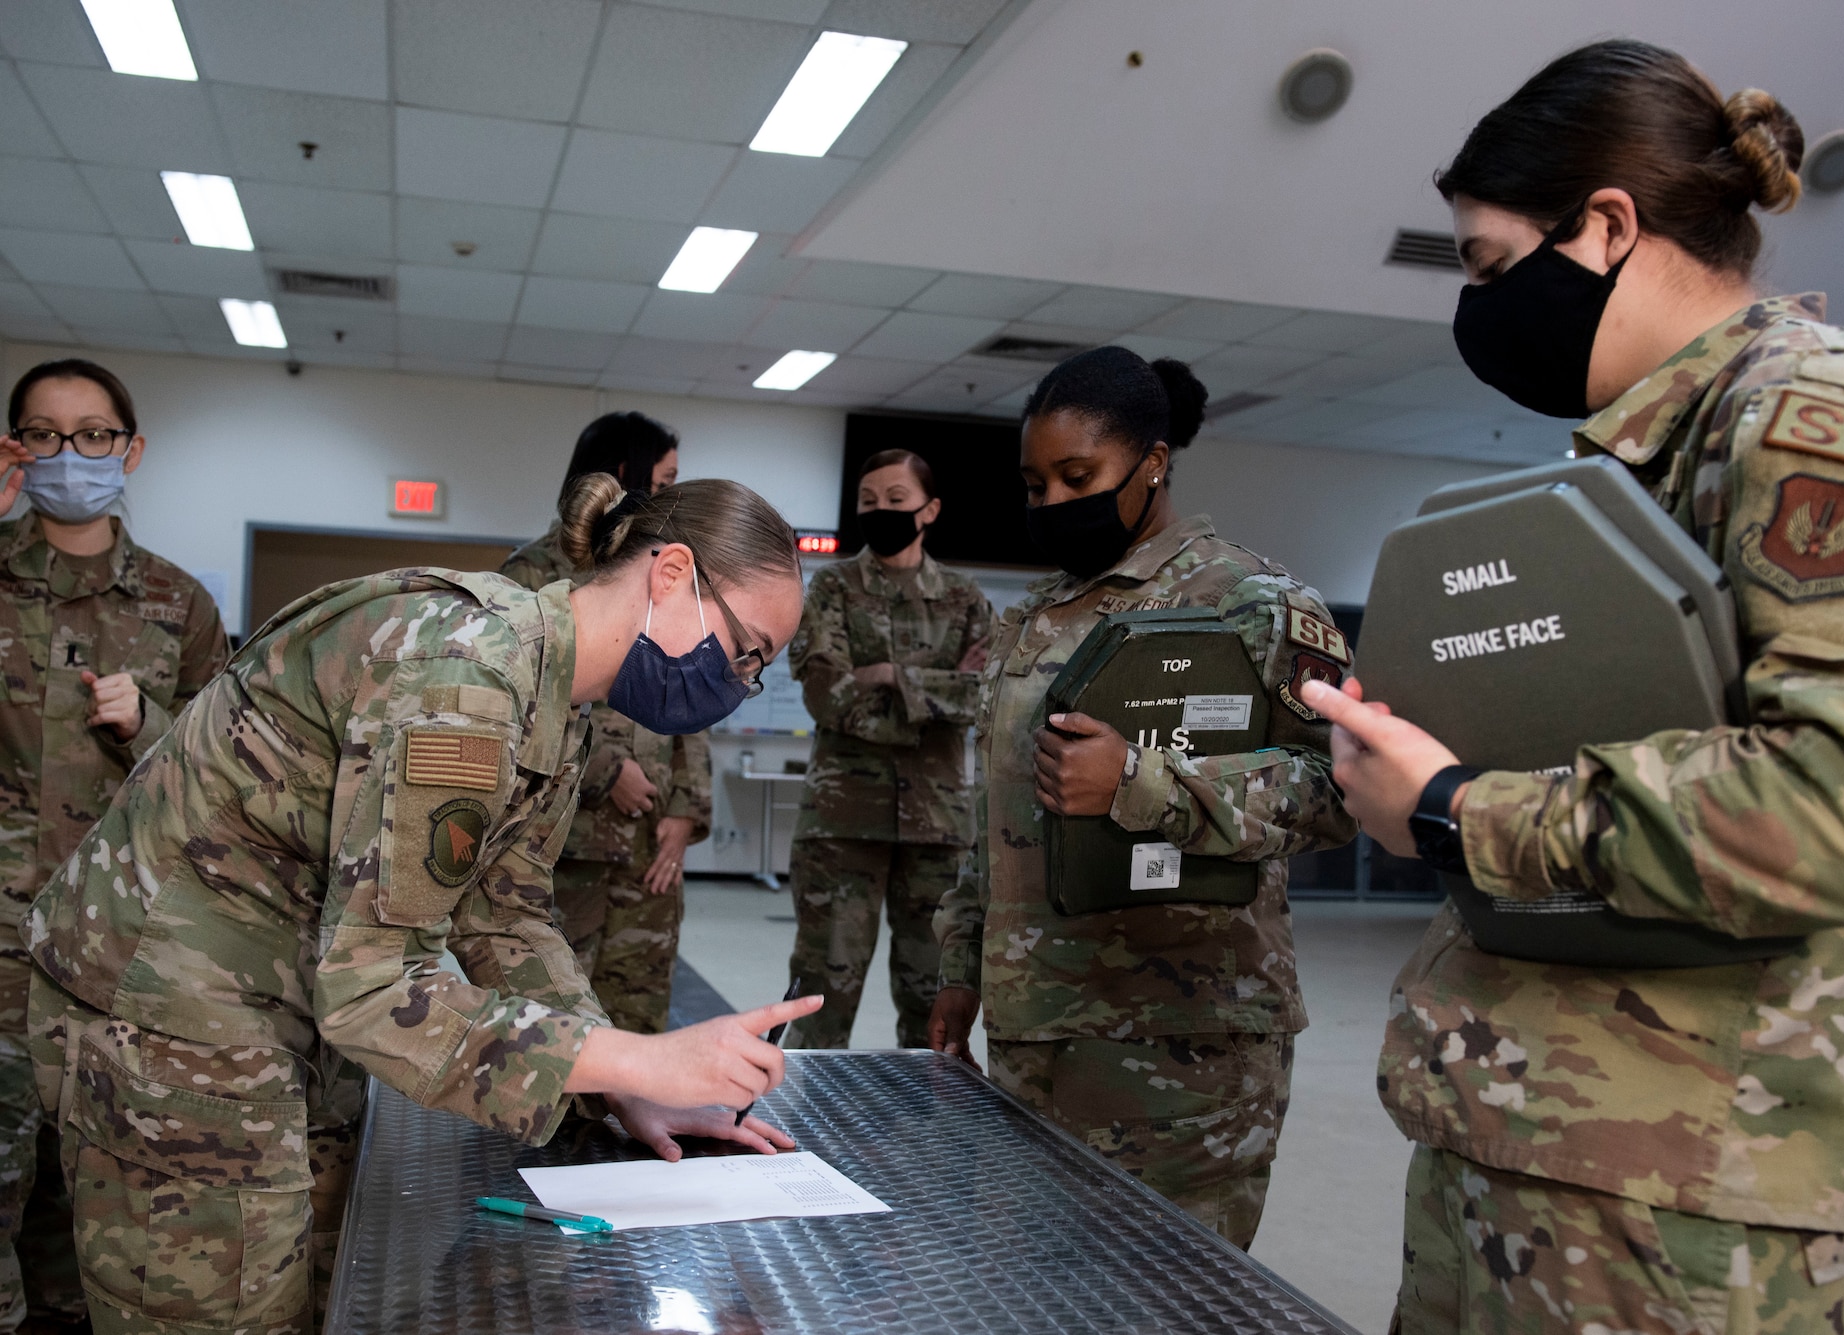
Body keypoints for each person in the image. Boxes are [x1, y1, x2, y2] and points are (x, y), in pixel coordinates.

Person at [1303, 40, 1844, 1335]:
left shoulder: (1816, 416)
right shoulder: (1643, 461)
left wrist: (1458, 807)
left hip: (1692, 1196)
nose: (1481, 309)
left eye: (1494, 265)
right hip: (1541, 1140)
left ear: (1609, 224)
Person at [24, 473, 821, 1334]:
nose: (740, 685)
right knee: (227, 1308)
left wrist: (621, 1088)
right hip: (168, 999)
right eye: (746, 652)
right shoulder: (469, 674)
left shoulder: (553, 695)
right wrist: (632, 1058)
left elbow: (503, 914)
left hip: (279, 982)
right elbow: (373, 989)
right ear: (671, 575)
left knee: (321, 1285)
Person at [928, 347, 1357, 1248]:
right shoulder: (1035, 616)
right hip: (1034, 1028)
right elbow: (997, 820)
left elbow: (1337, 791)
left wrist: (1138, 782)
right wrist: (964, 965)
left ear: (1152, 461)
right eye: (1035, 483)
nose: (1050, 503)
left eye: (1076, 476)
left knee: (1168, 1298)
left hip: (1179, 1049)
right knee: (1032, 1292)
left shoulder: (1251, 600)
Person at [0, 360, 230, 1333]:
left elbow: (231, 771)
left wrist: (154, 723)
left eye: (95, 434)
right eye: (44, 435)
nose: (70, 455)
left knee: (101, 1180)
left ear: (130, 451)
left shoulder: (178, 602)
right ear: (15, 449)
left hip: (121, 942)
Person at [503, 413, 711, 1033]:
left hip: (648, 843)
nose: (675, 492)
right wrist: (604, 772)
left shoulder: (662, 570)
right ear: (628, 475)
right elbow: (521, 703)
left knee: (641, 1008)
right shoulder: (531, 574)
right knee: (552, 1016)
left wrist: (687, 807)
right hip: (564, 842)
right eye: (667, 478)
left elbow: (691, 686)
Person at [783, 449, 992, 1050]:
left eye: (895, 500)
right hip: (843, 823)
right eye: (868, 501)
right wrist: (935, 696)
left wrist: (890, 676)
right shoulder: (832, 588)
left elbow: (985, 698)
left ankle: (922, 1129)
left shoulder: (965, 597)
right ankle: (796, 1129)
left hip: (938, 827)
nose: (880, 511)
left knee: (937, 994)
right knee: (823, 989)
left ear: (929, 510)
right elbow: (830, 696)